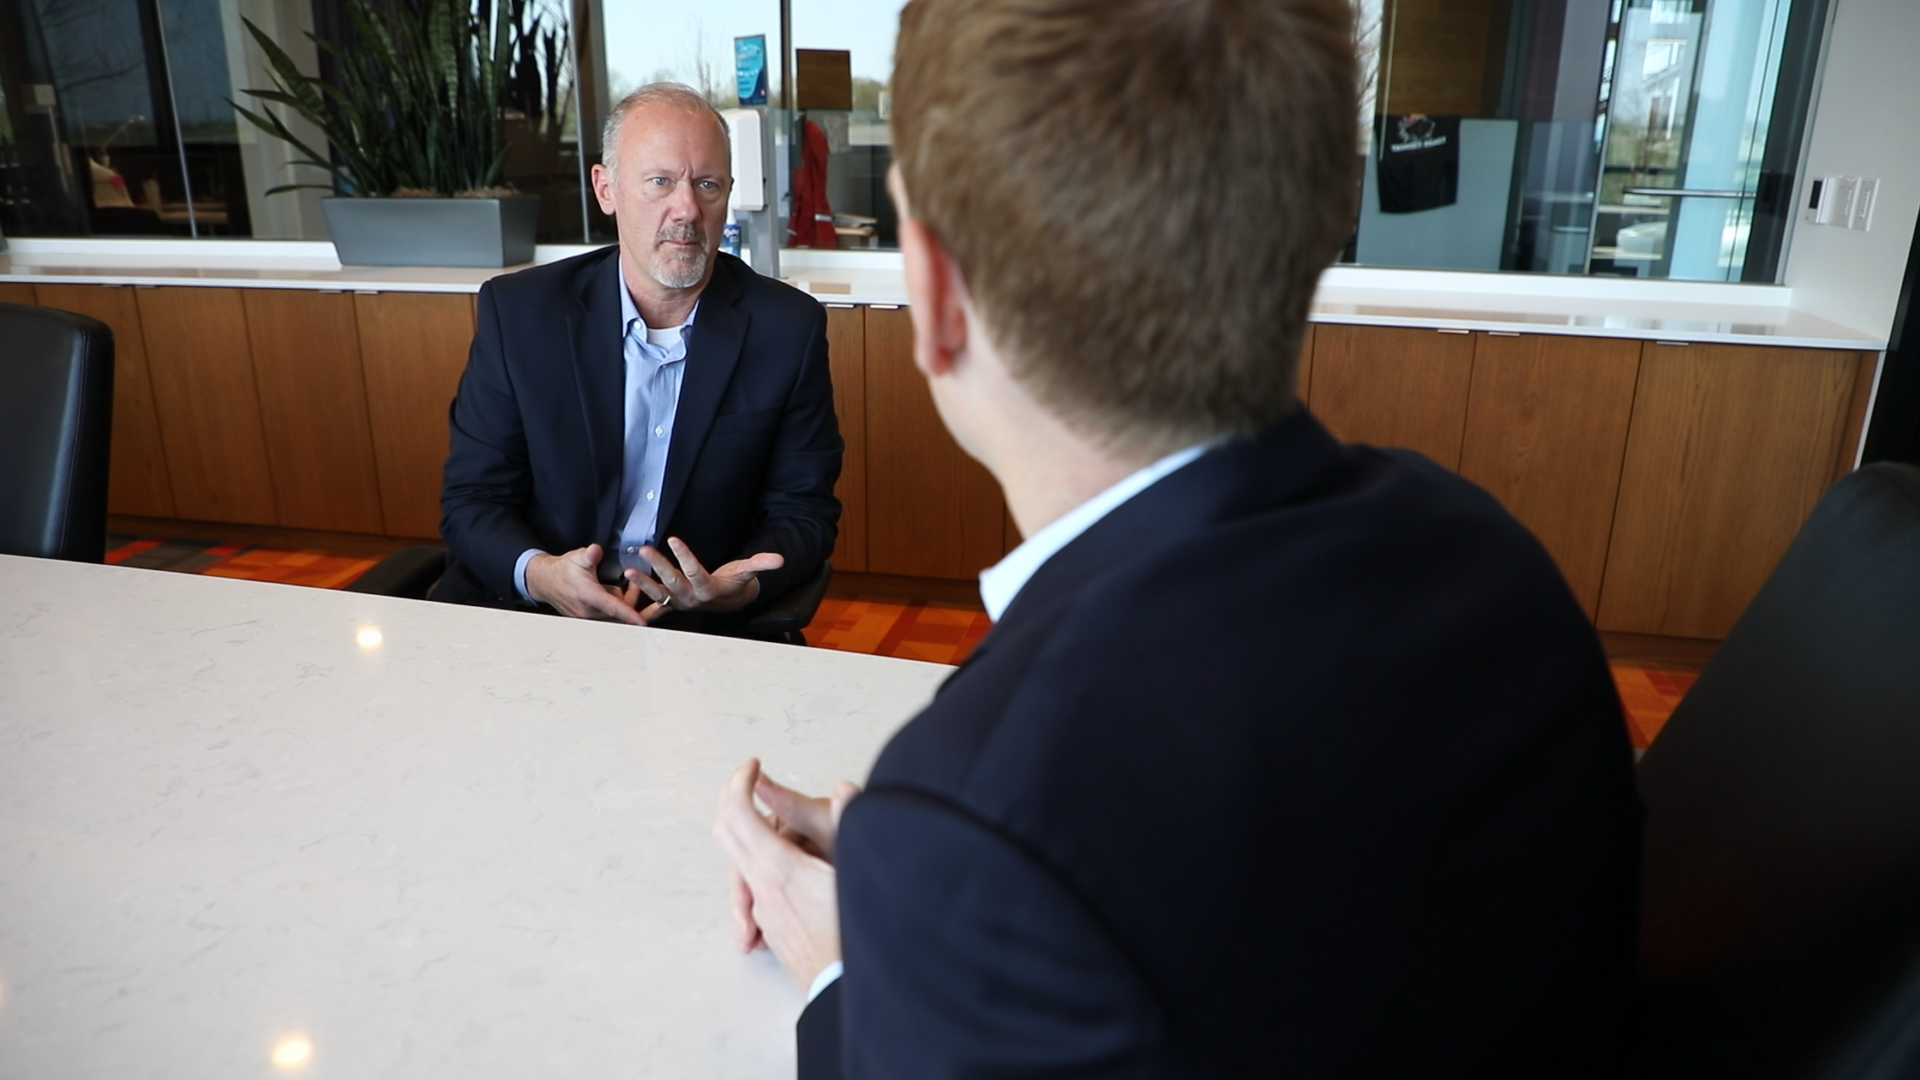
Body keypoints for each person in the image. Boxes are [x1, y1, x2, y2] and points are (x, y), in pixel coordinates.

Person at [714, 0, 1642, 1076]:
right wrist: (931, 888)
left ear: (934, 293)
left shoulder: (993, 812)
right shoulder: (1495, 562)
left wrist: (856, 969)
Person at [437, 84, 840, 630]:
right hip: (536, 618)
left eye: (707, 184)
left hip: (698, 626)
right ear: (606, 189)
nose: (687, 209)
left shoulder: (786, 328)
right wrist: (540, 574)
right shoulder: (521, 314)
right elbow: (473, 498)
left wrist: (737, 588)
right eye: (660, 181)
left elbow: (803, 512)